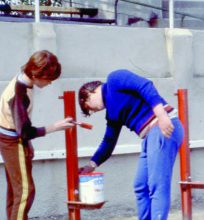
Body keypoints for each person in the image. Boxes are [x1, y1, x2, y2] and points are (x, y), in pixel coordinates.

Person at [78, 69, 184, 220]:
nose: (92, 111)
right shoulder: (112, 114)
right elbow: (109, 141)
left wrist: (161, 114)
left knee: (157, 184)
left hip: (162, 126)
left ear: (91, 92)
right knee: (141, 186)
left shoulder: (115, 79)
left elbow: (145, 85)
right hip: (149, 136)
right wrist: (92, 164)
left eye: (88, 106)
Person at [0, 50, 75, 220]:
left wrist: (27, 144)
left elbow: (21, 124)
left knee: (15, 190)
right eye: (49, 79)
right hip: (12, 141)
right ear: (37, 74)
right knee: (25, 191)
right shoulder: (19, 93)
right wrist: (55, 126)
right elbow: (24, 131)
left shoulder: (24, 81)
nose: (50, 83)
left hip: (13, 139)